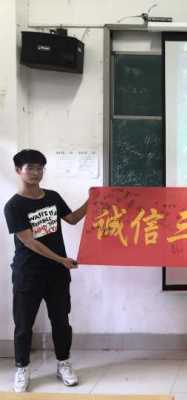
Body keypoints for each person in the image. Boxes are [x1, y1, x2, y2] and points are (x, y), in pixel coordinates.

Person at [3, 149, 88, 393]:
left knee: (61, 321)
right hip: (27, 273)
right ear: (18, 170)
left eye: (40, 168)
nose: (36, 172)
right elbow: (30, 241)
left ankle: (63, 364)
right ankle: (22, 368)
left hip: (57, 274)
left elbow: (72, 219)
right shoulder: (14, 206)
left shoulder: (52, 197)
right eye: (30, 168)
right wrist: (61, 259)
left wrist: (93, 201)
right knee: (23, 325)